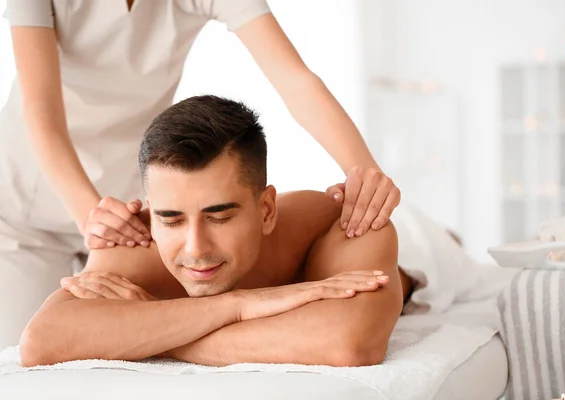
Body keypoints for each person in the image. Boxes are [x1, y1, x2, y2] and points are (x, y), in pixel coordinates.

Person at [0, 0, 402, 349]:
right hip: (30, 211)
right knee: (16, 359)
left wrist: (361, 170)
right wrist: (90, 214)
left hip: (135, 208)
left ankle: (411, 281)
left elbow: (293, 79)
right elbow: (41, 112)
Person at [18, 96, 412, 368]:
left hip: (426, 254)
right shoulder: (138, 241)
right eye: (171, 219)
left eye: (219, 216)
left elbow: (348, 343)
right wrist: (237, 307)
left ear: (266, 210)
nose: (195, 249)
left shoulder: (343, 220)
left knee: (416, 268)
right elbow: (42, 342)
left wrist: (149, 329)